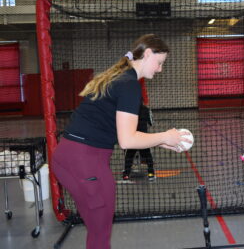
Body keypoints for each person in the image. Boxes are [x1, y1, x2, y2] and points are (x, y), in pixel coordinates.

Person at [51, 34, 191, 249]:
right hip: (87, 162)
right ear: (147, 54)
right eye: (160, 63)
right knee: (100, 234)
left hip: (65, 158)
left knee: (95, 227)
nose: (160, 69)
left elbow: (115, 129)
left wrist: (156, 141)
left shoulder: (119, 77)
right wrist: (165, 136)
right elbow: (127, 140)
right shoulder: (129, 84)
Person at [123, 78, 156, 182]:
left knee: (129, 156)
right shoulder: (146, 110)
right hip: (143, 138)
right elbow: (151, 122)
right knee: (148, 156)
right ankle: (151, 174)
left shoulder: (129, 110)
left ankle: (126, 175)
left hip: (133, 138)